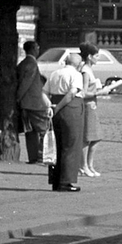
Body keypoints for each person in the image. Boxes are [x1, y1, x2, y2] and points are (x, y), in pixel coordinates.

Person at [44, 51, 84, 192]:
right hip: (70, 109)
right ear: (78, 64)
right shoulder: (76, 75)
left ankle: (56, 180)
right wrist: (59, 107)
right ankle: (66, 181)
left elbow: (43, 92)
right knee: (71, 144)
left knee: (57, 145)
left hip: (55, 106)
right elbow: (72, 93)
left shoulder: (55, 73)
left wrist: (50, 105)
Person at [78, 42, 119, 177]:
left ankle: (89, 165)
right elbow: (84, 92)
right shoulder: (85, 71)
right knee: (88, 137)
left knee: (95, 137)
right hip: (88, 106)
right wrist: (99, 93)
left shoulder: (89, 69)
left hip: (92, 106)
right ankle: (83, 166)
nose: (97, 58)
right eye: (96, 56)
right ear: (89, 56)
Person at [16, 41, 51, 165]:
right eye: (37, 47)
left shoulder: (23, 63)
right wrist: (18, 97)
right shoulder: (31, 64)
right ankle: (43, 156)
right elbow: (26, 83)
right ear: (33, 49)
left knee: (30, 131)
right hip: (34, 102)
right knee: (43, 129)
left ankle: (33, 156)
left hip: (27, 103)